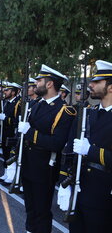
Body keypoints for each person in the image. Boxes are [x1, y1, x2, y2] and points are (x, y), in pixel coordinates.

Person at [17, 64, 76, 232]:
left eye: (40, 80)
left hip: (44, 166)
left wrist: (30, 132)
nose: (36, 84)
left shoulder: (64, 111)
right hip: (28, 162)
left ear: (49, 84)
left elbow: (57, 143)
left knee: (42, 209)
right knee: (30, 205)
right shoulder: (37, 105)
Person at [58, 60, 112, 233]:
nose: (91, 85)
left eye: (97, 82)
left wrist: (92, 151)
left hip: (103, 194)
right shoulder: (88, 114)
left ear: (110, 87)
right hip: (79, 189)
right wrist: (64, 184)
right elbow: (69, 149)